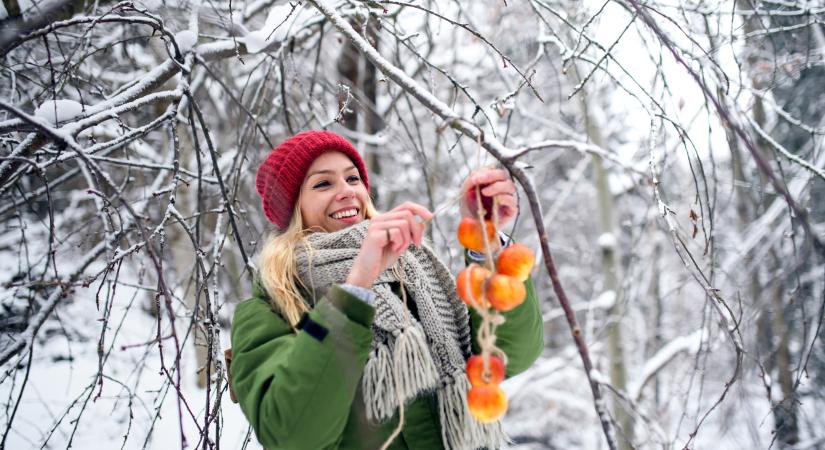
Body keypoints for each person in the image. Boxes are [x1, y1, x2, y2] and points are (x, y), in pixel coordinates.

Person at [229, 130, 543, 450]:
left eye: (353, 179)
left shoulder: (414, 270)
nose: (347, 192)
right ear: (292, 209)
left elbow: (509, 355)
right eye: (323, 183)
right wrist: (354, 292)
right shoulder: (271, 308)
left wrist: (485, 243)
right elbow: (292, 435)